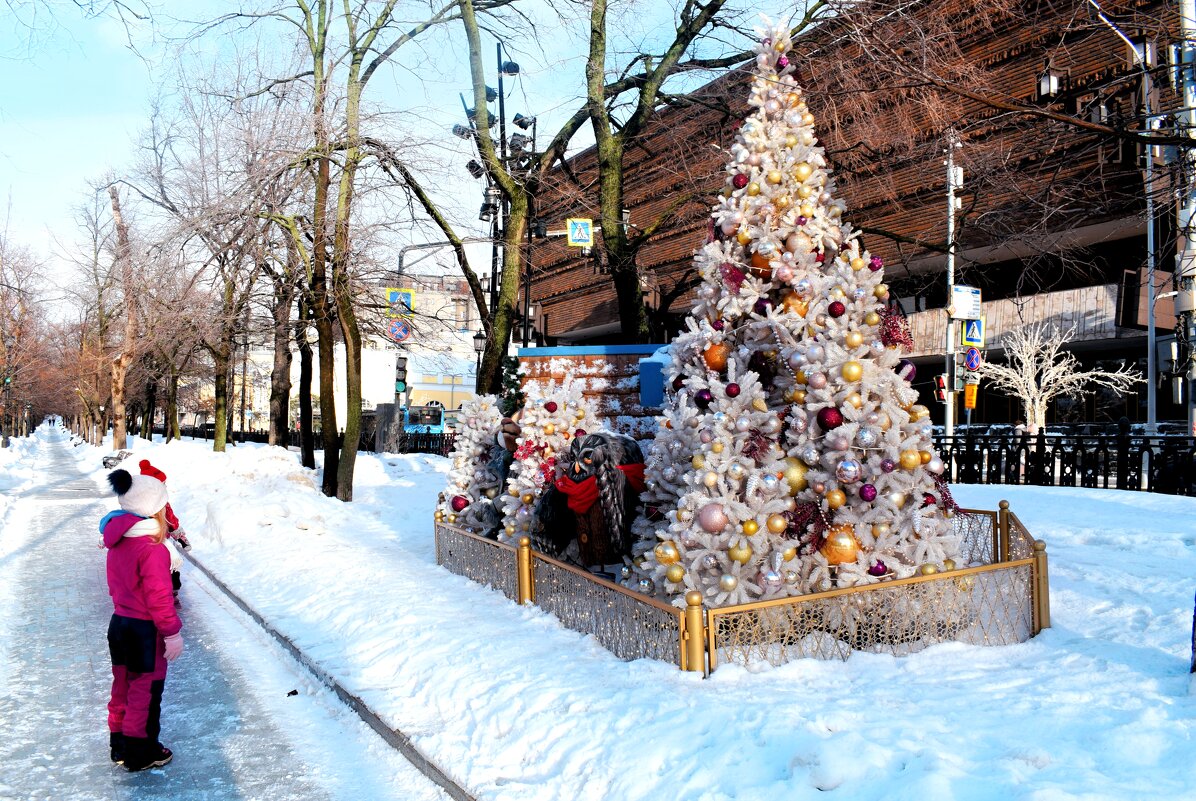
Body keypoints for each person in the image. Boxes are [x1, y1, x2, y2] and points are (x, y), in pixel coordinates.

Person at [101, 469, 184, 772]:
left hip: (119, 624)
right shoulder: (151, 549)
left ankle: (120, 745)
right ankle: (141, 751)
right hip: (144, 632)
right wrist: (172, 633)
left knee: (122, 686)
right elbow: (159, 599)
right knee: (145, 692)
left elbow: (115, 586)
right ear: (154, 507)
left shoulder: (119, 540)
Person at [137, 459, 190, 605]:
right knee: (168, 564)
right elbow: (171, 521)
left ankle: (158, 592)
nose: (165, 486)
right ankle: (168, 593)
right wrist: (179, 536)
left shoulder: (136, 499)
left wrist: (180, 537)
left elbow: (171, 521)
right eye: (163, 484)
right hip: (158, 541)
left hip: (144, 541)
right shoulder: (159, 502)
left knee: (153, 567)